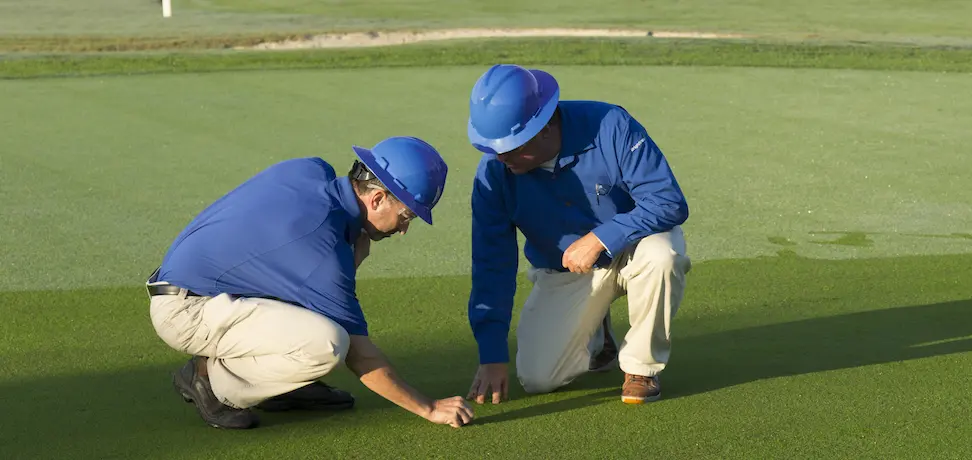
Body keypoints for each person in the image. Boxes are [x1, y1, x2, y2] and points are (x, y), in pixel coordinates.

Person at [147, 136, 475, 429]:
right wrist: (429, 408)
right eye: (406, 216)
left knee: (315, 308)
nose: (403, 230)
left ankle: (284, 384)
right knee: (328, 343)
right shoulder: (325, 249)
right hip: (186, 311)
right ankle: (209, 380)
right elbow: (360, 356)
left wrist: (347, 253)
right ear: (376, 199)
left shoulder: (311, 169)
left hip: (198, 284)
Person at [463, 64, 691, 405]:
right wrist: (492, 354)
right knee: (538, 378)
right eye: (494, 147)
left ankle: (641, 368)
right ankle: (599, 336)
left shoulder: (611, 124)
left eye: (511, 147)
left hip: (635, 249)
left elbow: (668, 201)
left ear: (544, 128)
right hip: (566, 271)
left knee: (663, 255)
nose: (501, 156)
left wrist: (601, 238)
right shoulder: (494, 173)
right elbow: (491, 266)